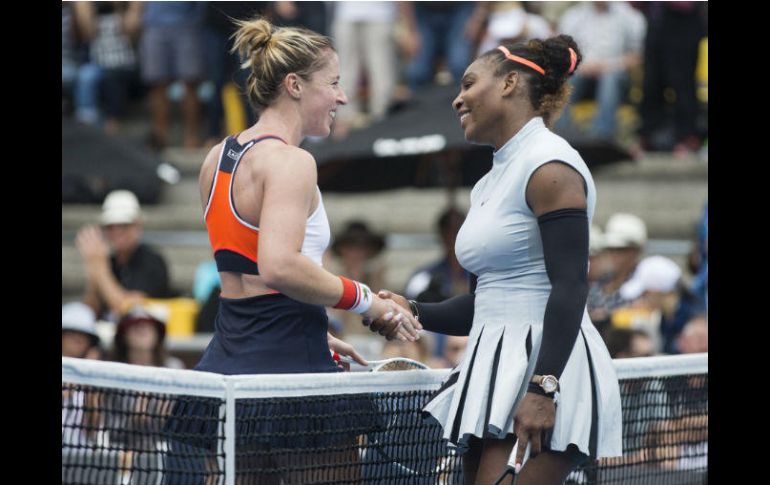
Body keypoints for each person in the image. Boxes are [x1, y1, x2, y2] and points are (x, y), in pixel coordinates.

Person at [167, 16, 421, 482]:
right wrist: (367, 300)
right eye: (334, 83)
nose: (343, 98)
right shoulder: (292, 162)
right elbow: (279, 265)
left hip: (235, 368)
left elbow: (247, 276)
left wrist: (314, 331)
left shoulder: (215, 158)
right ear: (294, 85)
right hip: (293, 375)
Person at [370, 34, 622, 484]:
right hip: (493, 368)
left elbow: (570, 285)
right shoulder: (489, 180)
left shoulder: (550, 164)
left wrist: (543, 388)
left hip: (545, 371)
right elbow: (484, 304)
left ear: (509, 83)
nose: (457, 99)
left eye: (468, 84)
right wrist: (413, 310)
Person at [76, 190, 172, 321]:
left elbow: (128, 310)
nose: (117, 232)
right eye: (111, 226)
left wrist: (100, 270)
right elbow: (89, 312)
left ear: (138, 226)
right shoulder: (109, 261)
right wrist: (93, 271)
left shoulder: (152, 261)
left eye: (124, 225)